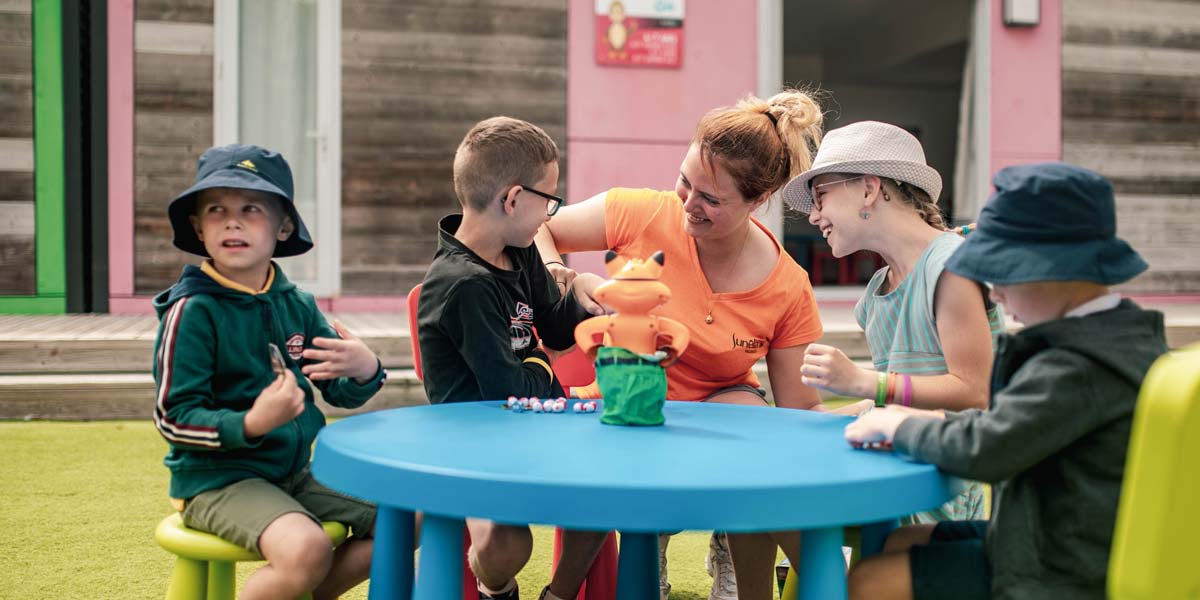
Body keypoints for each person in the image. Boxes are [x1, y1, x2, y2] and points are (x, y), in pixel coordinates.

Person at [532, 90, 866, 600]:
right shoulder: (641, 212)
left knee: (762, 440)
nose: (689, 205)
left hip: (721, 408)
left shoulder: (788, 285)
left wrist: (859, 408)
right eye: (686, 182)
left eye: (711, 198)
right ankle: (583, 580)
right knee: (619, 466)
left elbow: (797, 410)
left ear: (758, 201)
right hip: (627, 396)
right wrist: (561, 273)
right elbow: (537, 226)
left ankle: (739, 553)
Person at [843, 162, 1168, 600]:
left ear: (1053, 269)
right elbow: (1011, 423)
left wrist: (898, 426)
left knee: (868, 581)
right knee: (896, 543)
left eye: (1005, 272)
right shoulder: (1120, 341)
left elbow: (986, 449)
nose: (995, 292)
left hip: (1063, 569)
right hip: (1068, 534)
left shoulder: (1078, 366)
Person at [152, 144, 387, 600]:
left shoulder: (296, 303)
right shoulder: (193, 310)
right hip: (217, 481)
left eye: (251, 209)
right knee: (307, 549)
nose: (232, 221)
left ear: (283, 226)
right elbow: (172, 417)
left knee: (407, 517)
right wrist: (251, 423)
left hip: (294, 472)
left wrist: (365, 368)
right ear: (199, 227)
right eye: (216, 209)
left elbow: (336, 389)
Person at [417, 116, 609, 600]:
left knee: (607, 492)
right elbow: (509, 391)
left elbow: (556, 326)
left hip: (537, 420)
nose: (552, 212)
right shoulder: (464, 285)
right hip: (474, 438)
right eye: (550, 197)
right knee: (507, 543)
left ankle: (557, 597)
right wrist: (544, 359)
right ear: (513, 199)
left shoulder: (518, 249)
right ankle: (496, 591)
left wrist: (585, 298)